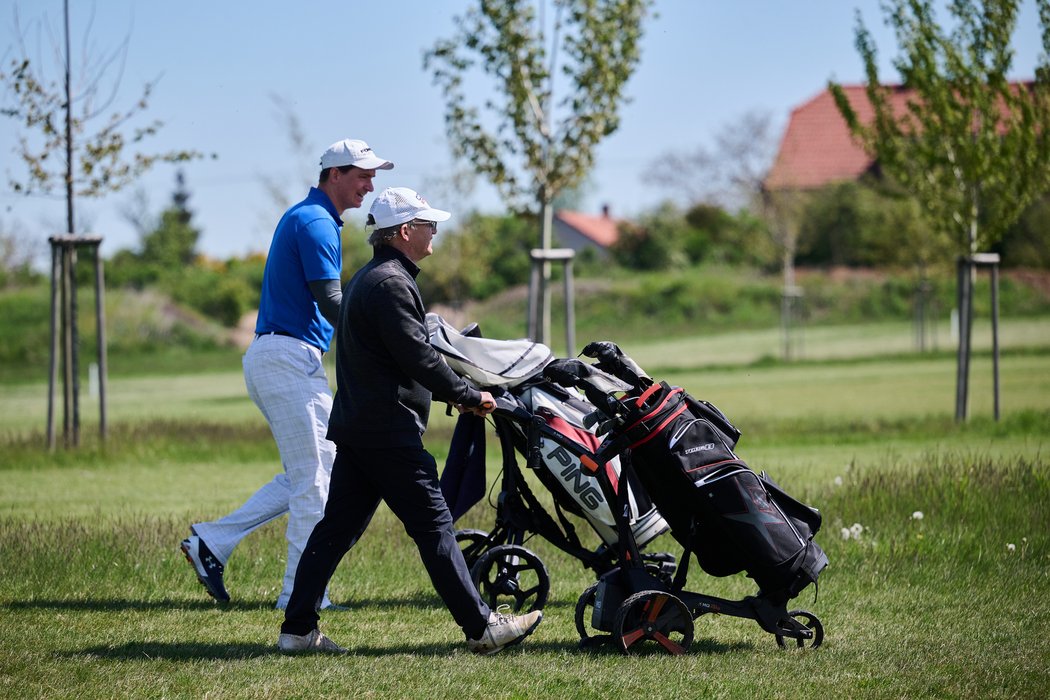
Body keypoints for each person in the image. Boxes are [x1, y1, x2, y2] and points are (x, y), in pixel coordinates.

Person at [277, 187, 543, 655]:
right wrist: (468, 395)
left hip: (363, 428)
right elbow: (418, 357)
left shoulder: (372, 278)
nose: (434, 232)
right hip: (386, 432)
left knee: (334, 530)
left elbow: (404, 359)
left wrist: (454, 393)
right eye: (428, 225)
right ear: (404, 231)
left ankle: (297, 630)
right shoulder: (392, 284)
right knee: (434, 526)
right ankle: (482, 628)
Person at [181, 139, 393, 610]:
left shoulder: (313, 217)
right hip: (287, 357)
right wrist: (382, 340)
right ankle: (302, 597)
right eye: (362, 174)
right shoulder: (316, 222)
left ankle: (212, 542)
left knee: (314, 471)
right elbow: (330, 301)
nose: (370, 184)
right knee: (317, 480)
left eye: (373, 175)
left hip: (283, 355)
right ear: (333, 175)